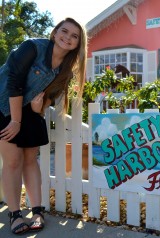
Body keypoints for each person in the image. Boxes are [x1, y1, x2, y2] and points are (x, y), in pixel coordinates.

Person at [0, 17, 87, 235]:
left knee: (31, 159)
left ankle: (37, 211)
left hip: (29, 109)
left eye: (74, 36)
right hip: (4, 103)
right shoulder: (32, 47)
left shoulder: (66, 68)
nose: (67, 37)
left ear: (78, 44)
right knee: (13, 161)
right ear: (55, 32)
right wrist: (16, 120)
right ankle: (15, 215)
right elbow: (13, 82)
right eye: (64, 31)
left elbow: (52, 96)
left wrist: (40, 108)